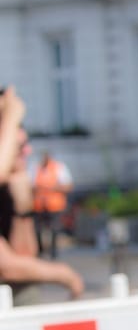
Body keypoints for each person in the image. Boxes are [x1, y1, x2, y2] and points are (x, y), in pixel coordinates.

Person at [0, 87, 84, 298]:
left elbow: (24, 257)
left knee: (28, 292)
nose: (27, 152)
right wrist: (65, 274)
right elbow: (6, 266)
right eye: (17, 146)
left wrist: (22, 208)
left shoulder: (12, 186)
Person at [31, 150, 72, 259]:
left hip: (54, 206)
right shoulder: (36, 168)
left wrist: (52, 188)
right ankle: (40, 252)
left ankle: (53, 253)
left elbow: (68, 185)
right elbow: (31, 185)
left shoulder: (59, 168)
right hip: (39, 206)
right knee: (37, 230)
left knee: (54, 229)